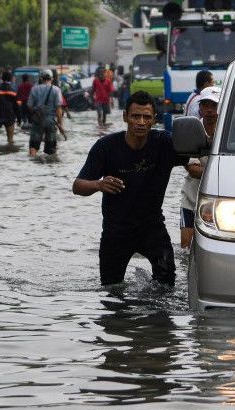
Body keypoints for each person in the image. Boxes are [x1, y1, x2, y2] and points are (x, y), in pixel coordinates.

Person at [72, 91, 191, 286]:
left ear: (154, 119)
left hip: (152, 227)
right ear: (125, 117)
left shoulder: (165, 144)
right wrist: (99, 184)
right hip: (116, 230)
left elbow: (199, 153)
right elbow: (77, 186)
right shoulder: (106, 147)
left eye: (146, 117)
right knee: (111, 290)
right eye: (135, 116)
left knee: (167, 283)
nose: (141, 122)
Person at [180, 86, 220, 248]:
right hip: (191, 200)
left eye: (214, 106)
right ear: (200, 107)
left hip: (219, 201)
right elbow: (192, 169)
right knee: (186, 247)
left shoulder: (230, 132)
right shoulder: (192, 130)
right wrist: (221, 173)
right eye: (205, 105)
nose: (209, 110)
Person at [27, 70, 63, 156]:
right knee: (51, 150)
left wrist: (36, 112)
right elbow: (58, 109)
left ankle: (31, 165)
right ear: (52, 79)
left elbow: (29, 106)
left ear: (41, 78)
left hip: (37, 121)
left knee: (33, 147)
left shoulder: (34, 89)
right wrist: (60, 123)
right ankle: (49, 167)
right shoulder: (56, 90)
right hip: (51, 122)